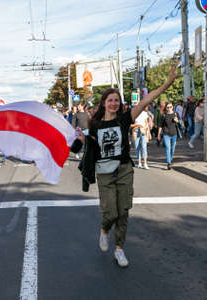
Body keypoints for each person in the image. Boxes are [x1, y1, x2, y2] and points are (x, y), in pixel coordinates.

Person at [72, 64, 179, 267]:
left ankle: (119, 248)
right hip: (104, 172)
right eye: (110, 100)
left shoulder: (124, 118)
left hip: (123, 169)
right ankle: (104, 230)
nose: (113, 103)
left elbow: (148, 99)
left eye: (116, 100)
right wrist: (82, 140)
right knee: (110, 212)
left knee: (123, 211)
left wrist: (168, 82)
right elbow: (90, 144)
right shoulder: (94, 124)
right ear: (103, 103)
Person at [158, 102, 179, 170]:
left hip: (174, 134)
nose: (169, 108)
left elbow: (179, 121)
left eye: (170, 107)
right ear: (166, 108)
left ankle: (170, 158)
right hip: (166, 134)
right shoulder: (164, 115)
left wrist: (177, 120)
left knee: (172, 149)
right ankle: (168, 163)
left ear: (172, 107)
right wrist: (158, 134)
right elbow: (160, 126)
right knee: (168, 148)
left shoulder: (175, 114)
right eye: (168, 107)